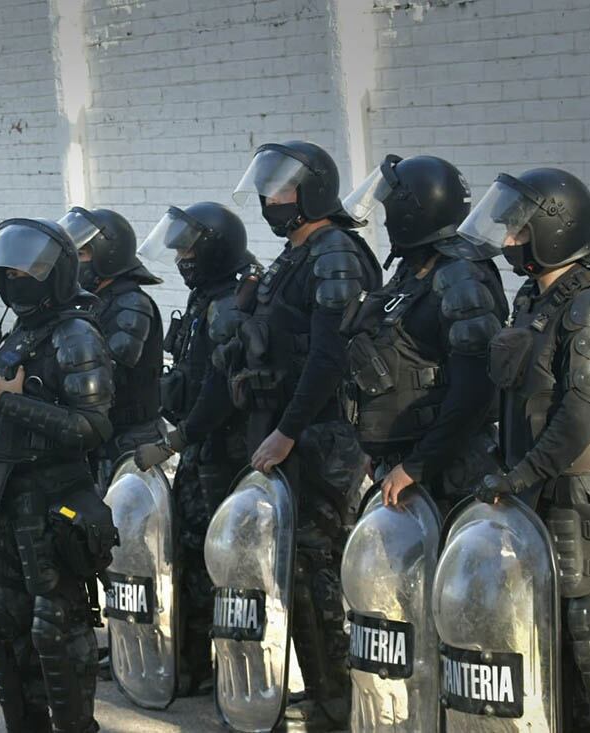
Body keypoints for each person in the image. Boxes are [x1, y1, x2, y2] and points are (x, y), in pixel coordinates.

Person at [229, 140, 381, 729]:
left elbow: (327, 358)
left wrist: (287, 433)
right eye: (267, 190)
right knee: (293, 570)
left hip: (321, 436)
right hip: (286, 429)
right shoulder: (295, 254)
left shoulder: (334, 251)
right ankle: (320, 691)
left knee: (322, 571)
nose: (271, 200)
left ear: (313, 192)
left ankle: (341, 703)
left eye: (283, 190)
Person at [0, 217, 117, 732]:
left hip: (53, 507)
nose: (15, 277)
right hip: (4, 507)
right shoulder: (21, 333)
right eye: (9, 269)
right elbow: (4, 410)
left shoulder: (77, 334)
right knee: (5, 630)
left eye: (26, 269)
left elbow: (92, 427)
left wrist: (12, 404)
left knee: (56, 632)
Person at [462, 168, 590, 731]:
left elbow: (580, 415)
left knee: (589, 633)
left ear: (554, 230)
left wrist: (519, 476)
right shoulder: (533, 297)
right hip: (531, 488)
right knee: (539, 632)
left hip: (577, 494)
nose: (509, 241)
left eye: (521, 230)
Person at [132, 201, 257, 696]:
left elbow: (219, 388)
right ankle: (192, 666)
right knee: (189, 558)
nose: (181, 255)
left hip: (223, 455)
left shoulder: (229, 306)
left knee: (216, 563)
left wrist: (177, 440)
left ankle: (219, 670)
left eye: (188, 246)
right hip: (202, 450)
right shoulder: (211, 298)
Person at [338, 154, 507, 515]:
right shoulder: (412, 270)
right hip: (408, 464)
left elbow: (475, 392)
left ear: (412, 213)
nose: (384, 222)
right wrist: (382, 451)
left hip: (450, 472)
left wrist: (416, 465)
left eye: (390, 211)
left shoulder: (461, 278)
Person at [57, 206, 163, 489]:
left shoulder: (131, 303)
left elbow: (108, 372)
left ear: (108, 254)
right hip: (102, 434)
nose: (75, 263)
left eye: (81, 254)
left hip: (132, 438)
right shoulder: (93, 301)